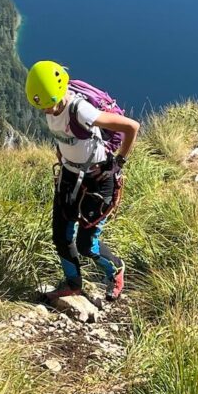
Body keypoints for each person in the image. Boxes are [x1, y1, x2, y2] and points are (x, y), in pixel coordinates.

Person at [25, 61, 140, 301]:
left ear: (59, 93)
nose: (46, 111)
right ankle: (73, 285)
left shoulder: (81, 110)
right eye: (42, 107)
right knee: (61, 237)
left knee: (87, 245)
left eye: (49, 106)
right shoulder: (52, 102)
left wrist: (118, 162)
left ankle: (116, 269)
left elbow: (132, 127)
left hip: (98, 179)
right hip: (70, 175)